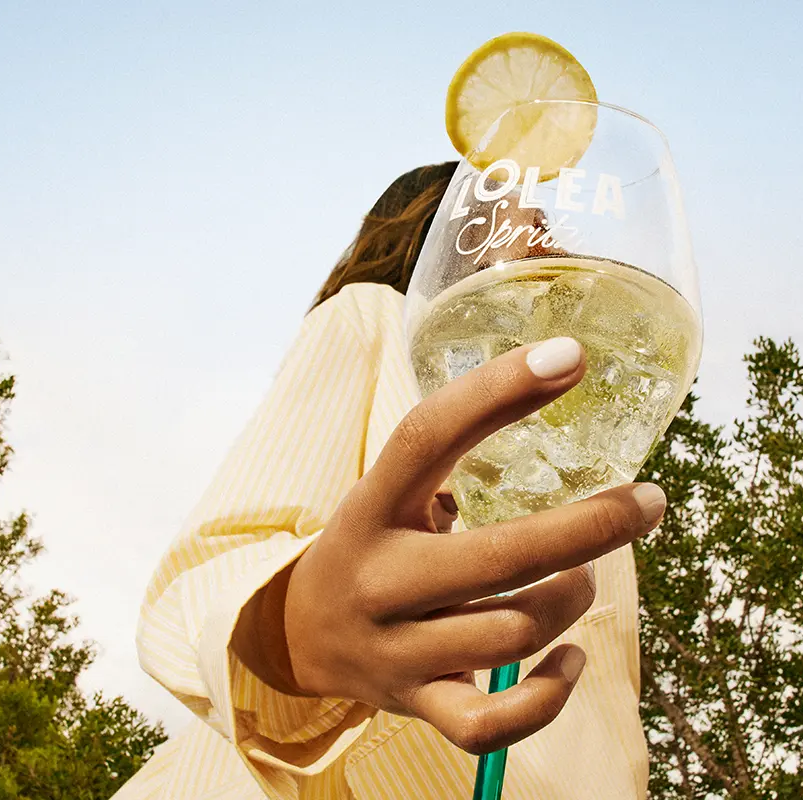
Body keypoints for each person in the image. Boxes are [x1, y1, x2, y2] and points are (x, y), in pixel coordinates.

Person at [113, 163, 662, 800]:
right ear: (448, 230)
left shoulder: (587, 444)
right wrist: (291, 635)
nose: (548, 228)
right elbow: (216, 565)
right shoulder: (375, 317)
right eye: (520, 211)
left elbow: (610, 704)